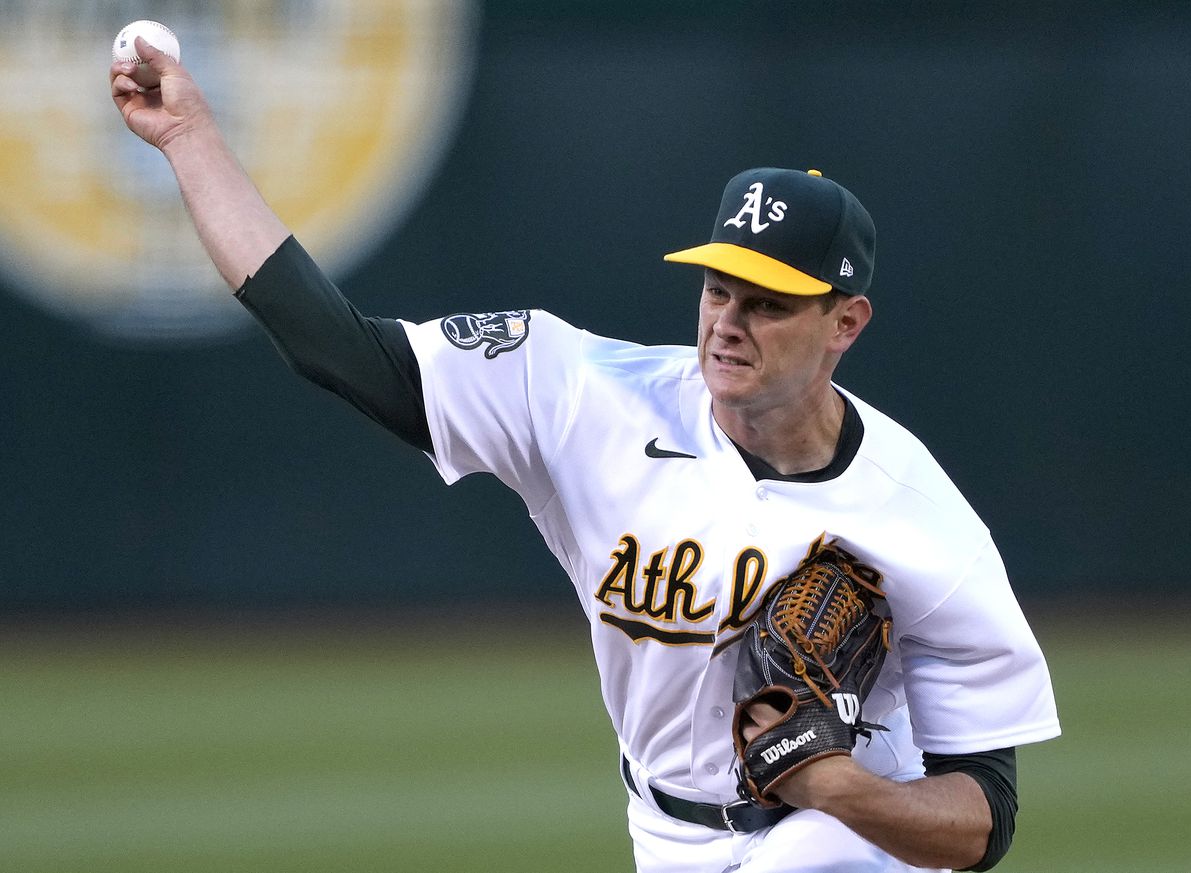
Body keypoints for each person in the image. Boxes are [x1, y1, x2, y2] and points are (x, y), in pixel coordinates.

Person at [111, 38, 1060, 873]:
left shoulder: (922, 519)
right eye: (717, 290)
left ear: (845, 322)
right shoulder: (580, 393)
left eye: (766, 302)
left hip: (844, 841)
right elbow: (339, 348)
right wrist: (191, 137)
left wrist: (841, 789)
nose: (727, 323)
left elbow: (987, 816)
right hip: (666, 833)